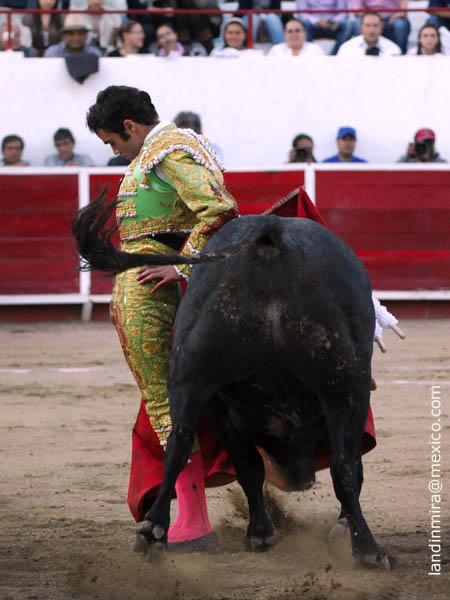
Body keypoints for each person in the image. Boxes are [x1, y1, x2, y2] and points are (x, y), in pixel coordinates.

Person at [85, 85, 238, 551]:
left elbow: (219, 209)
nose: (115, 151)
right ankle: (192, 516)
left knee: (166, 401)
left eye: (114, 141)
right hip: (158, 279)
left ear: (130, 126)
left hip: (154, 288)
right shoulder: (160, 151)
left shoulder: (166, 152)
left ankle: (193, 522)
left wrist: (183, 264)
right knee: (174, 399)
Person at [337, 12, 401, 56]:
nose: (372, 29)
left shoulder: (393, 49)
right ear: (361, 28)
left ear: (382, 27)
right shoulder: (347, 48)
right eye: (368, 26)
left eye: (375, 26)